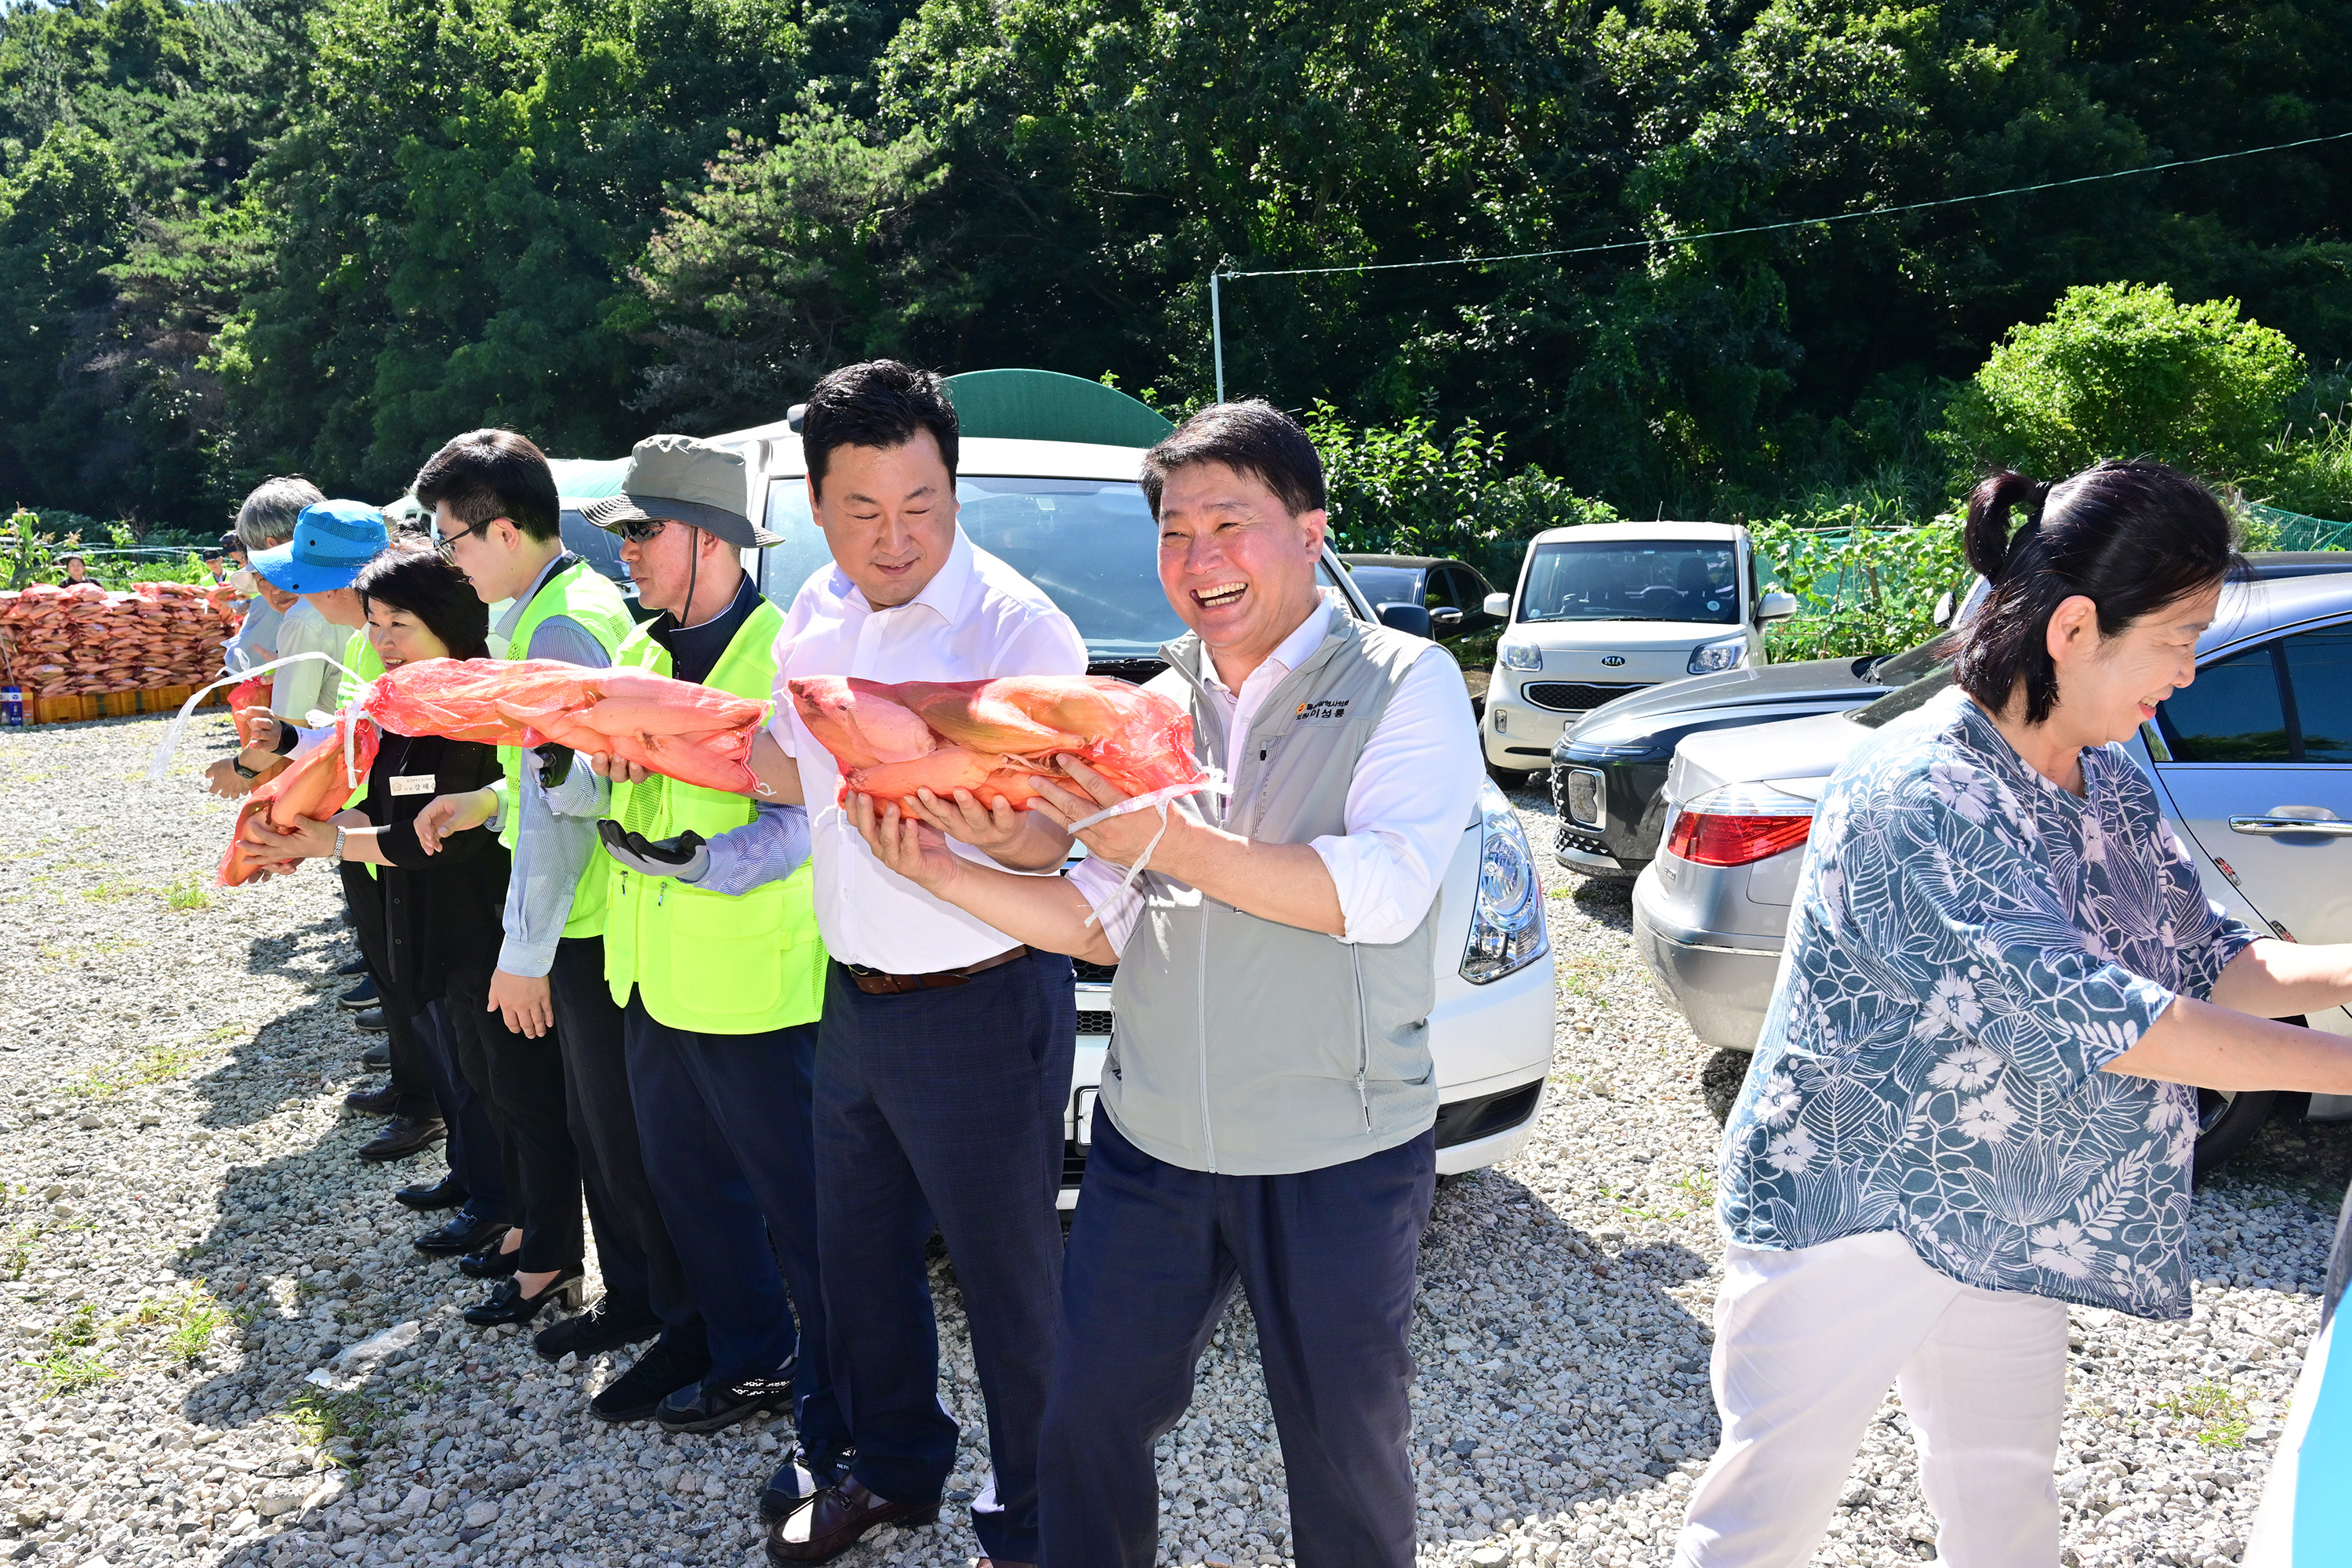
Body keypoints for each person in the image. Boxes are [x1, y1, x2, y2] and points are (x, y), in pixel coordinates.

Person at [1660, 462, 2352, 1568]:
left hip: (2006, 1207)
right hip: (1851, 1204)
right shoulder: (1924, 786)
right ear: (2076, 627)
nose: (2186, 670)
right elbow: (2105, 1016)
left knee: (2006, 1508)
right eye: (2178, 636)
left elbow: (2213, 960)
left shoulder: (2106, 775)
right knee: (1764, 1516)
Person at [851, 400, 1483, 1568]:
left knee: (1345, 1454)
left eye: (1229, 524)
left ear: (1309, 531)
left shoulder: (1406, 681)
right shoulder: (1149, 708)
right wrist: (943, 871)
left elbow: (1382, 893)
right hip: (1154, 1146)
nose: (1199, 561)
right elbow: (1099, 919)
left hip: (1333, 1149)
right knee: (1084, 1418)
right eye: (1175, 532)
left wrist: (1155, 839)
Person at [754, 361, 1084, 1568]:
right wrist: (648, 744)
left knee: (1009, 1285)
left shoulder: (1016, 629)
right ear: (815, 503)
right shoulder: (815, 613)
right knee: (860, 1265)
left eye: (923, 506)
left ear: (956, 487)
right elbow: (786, 765)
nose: (894, 541)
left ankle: (1045, 1518)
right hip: (853, 998)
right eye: (862, 511)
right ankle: (893, 1470)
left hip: (986, 1003)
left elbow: (1061, 833)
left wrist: (1010, 832)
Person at [410, 430, 706, 1401]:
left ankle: (677, 1318)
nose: (449, 557)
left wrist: (525, 948)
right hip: (577, 921)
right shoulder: (541, 611)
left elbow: (563, 815)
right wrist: (483, 801)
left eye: (453, 537)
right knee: (599, 1128)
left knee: (626, 1140)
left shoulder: (559, 627)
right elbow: (534, 786)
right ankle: (633, 1297)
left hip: (588, 923)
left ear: (503, 528)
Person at [570, 434, 849, 1453]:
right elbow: (624, 783)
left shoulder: (785, 660)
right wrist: (582, 775)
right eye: (625, 533)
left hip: (752, 984)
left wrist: (701, 863)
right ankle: (725, 1345)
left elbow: (807, 820)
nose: (626, 554)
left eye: (643, 533)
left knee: (793, 1201)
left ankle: (832, 1387)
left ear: (712, 540)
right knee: (679, 1179)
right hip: (652, 971)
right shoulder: (643, 650)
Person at [240, 546, 525, 1294]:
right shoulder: (400, 703)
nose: (383, 641)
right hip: (414, 919)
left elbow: (438, 837)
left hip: (473, 923)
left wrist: (330, 838)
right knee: (456, 1067)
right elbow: (383, 804)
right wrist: (303, 829)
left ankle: (508, 1208)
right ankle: (472, 1180)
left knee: (496, 1077)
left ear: (450, 624)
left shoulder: (472, 708)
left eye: (401, 623)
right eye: (375, 624)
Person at [241, 501, 446, 1159]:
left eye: (305, 580)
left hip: (391, 830)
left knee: (412, 967)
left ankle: (426, 1101)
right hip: (358, 821)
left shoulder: (383, 635)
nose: (294, 594)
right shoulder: (364, 637)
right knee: (389, 962)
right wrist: (295, 740)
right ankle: (412, 1085)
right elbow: (343, 731)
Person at [207, 477, 320, 799]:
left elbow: (288, 721)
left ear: (270, 546)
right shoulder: (370, 586)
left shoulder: (303, 617)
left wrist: (241, 768)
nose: (272, 589)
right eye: (261, 580)